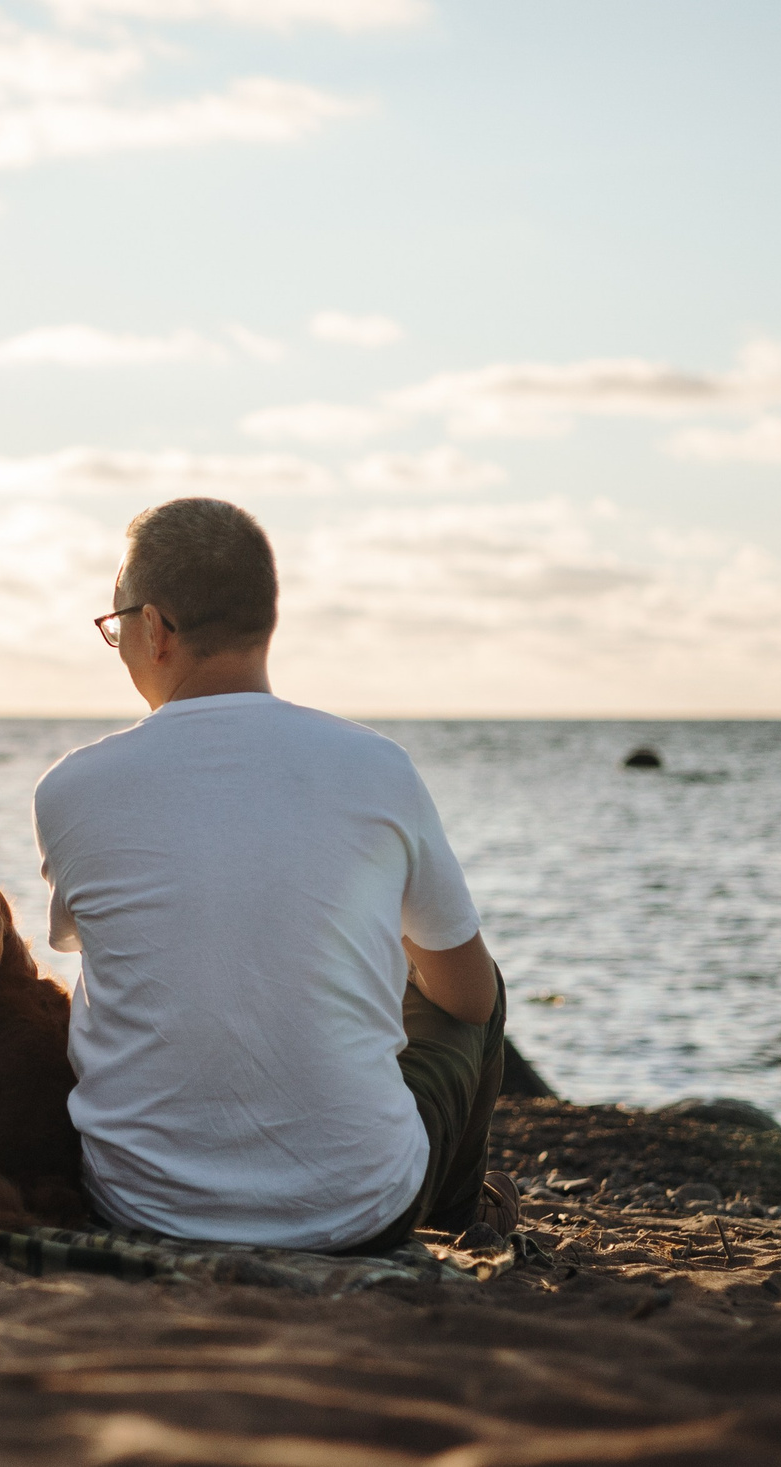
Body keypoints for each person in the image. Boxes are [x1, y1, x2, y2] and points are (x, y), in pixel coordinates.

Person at [33, 497, 517, 1252]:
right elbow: (471, 998)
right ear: (266, 620)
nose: (118, 640)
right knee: (471, 982)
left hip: (138, 1205)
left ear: (155, 627)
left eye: (116, 621)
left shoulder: (70, 789)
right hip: (359, 1213)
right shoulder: (378, 767)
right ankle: (456, 1218)